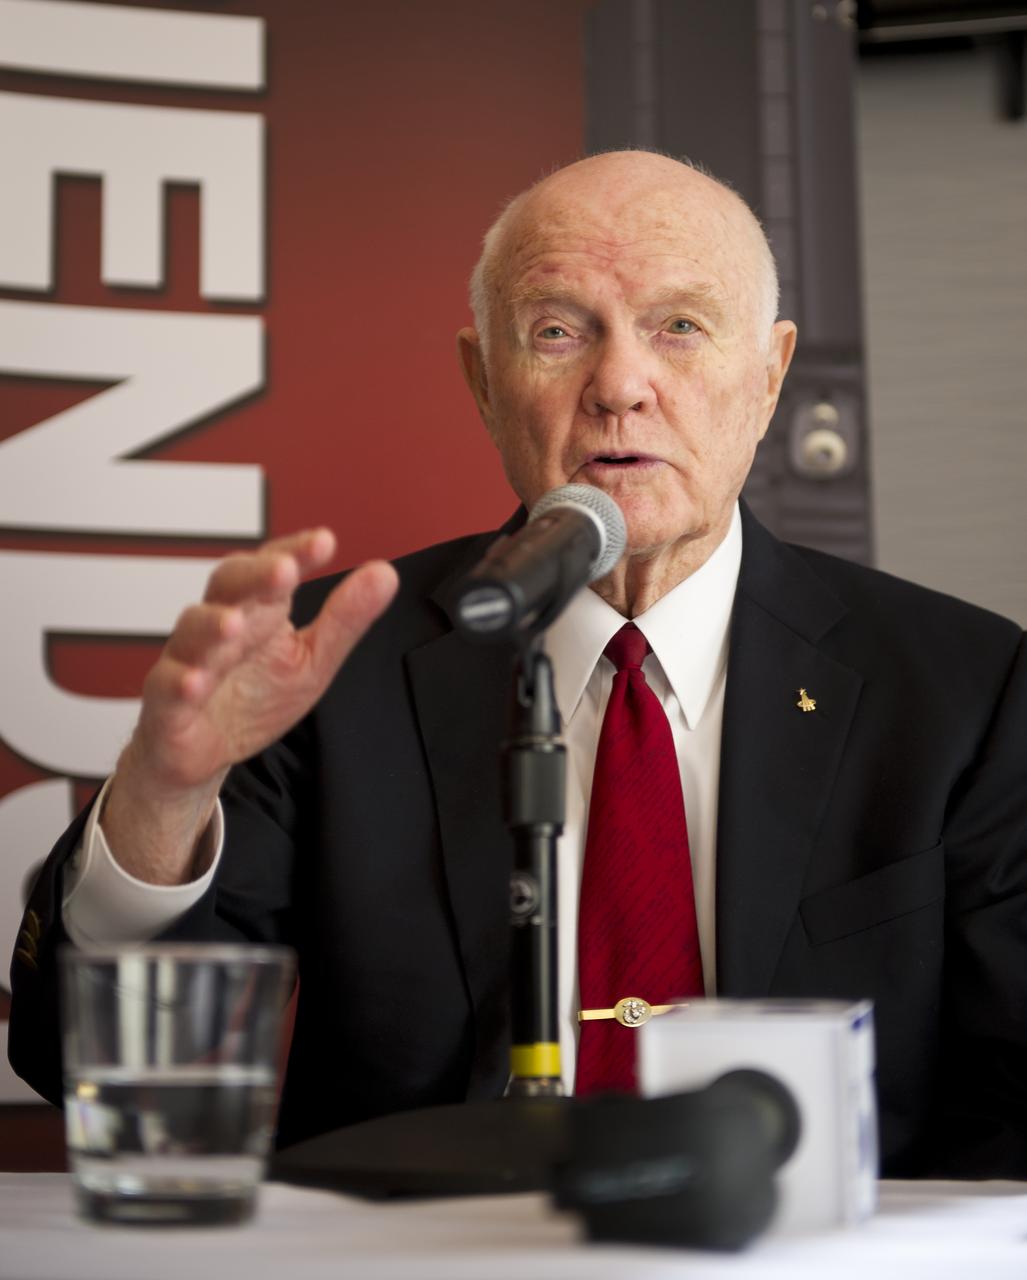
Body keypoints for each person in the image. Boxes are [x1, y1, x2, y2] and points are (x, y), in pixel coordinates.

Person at [9, 151, 1027, 1177]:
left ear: (768, 374)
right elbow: (87, 1068)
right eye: (557, 331)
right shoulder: (332, 661)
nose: (621, 385)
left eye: (679, 325)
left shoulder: (962, 689)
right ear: (484, 383)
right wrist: (163, 801)